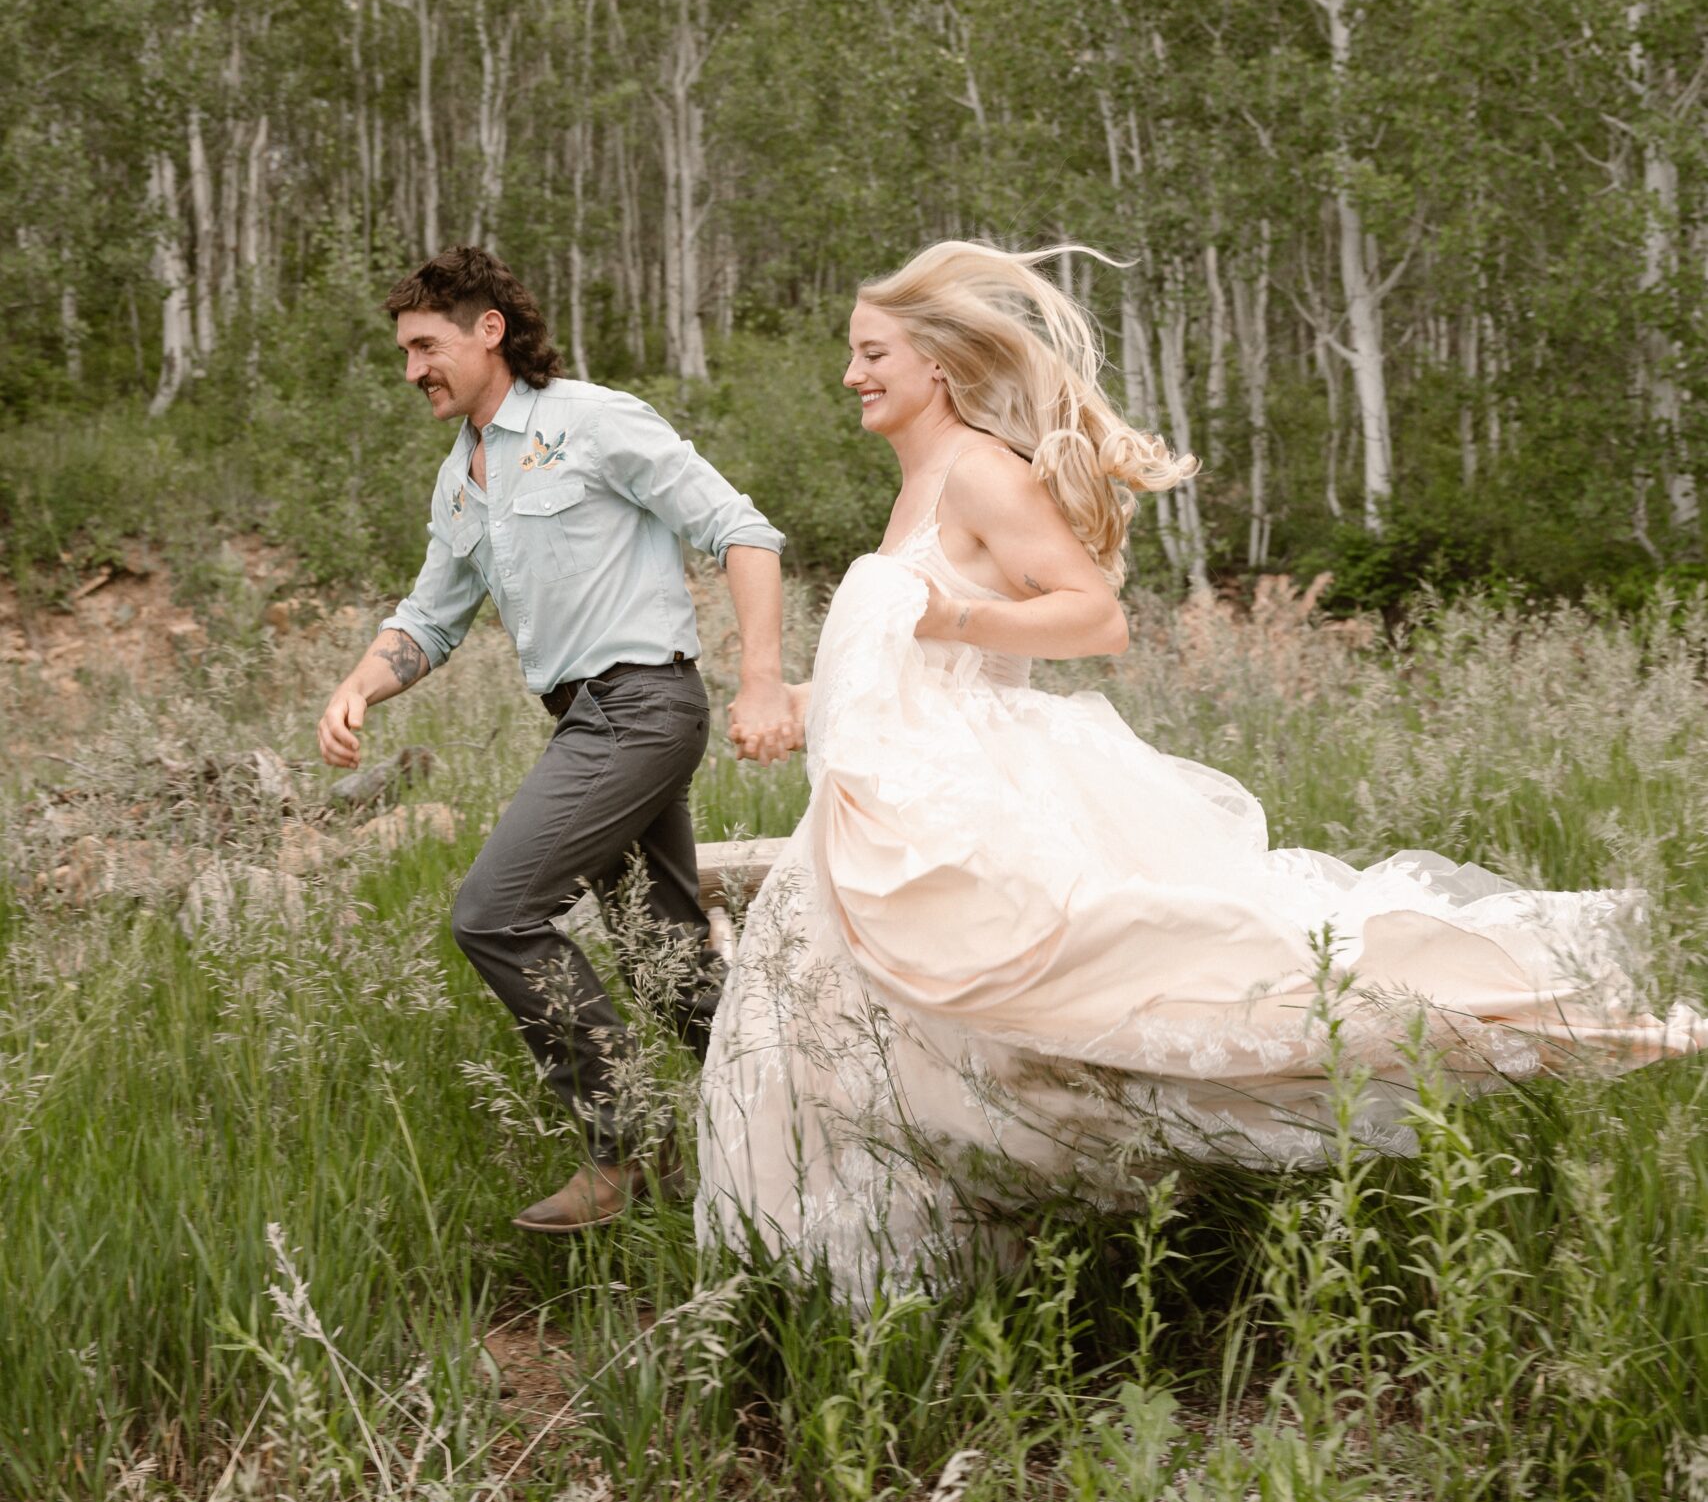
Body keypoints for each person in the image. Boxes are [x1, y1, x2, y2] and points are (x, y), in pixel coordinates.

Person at [696, 241, 1705, 1302]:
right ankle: (887, 1265)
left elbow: (1094, 617)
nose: (852, 375)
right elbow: (906, 661)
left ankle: (1522, 1020)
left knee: (1142, 978)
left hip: (991, 787)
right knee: (875, 1028)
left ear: (937, 364)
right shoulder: (915, 494)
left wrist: (953, 612)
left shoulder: (982, 471)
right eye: (853, 356)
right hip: (901, 800)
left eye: (871, 353)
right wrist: (799, 707)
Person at [316, 245, 797, 1233]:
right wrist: (361, 682)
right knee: (671, 973)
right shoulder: (462, 478)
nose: (412, 370)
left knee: (493, 913)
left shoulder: (590, 418)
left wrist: (760, 681)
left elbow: (740, 530)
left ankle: (627, 1148)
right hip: (589, 719)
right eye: (404, 351)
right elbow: (431, 616)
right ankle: (806, 1115)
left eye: (424, 345)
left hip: (643, 708)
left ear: (488, 328)